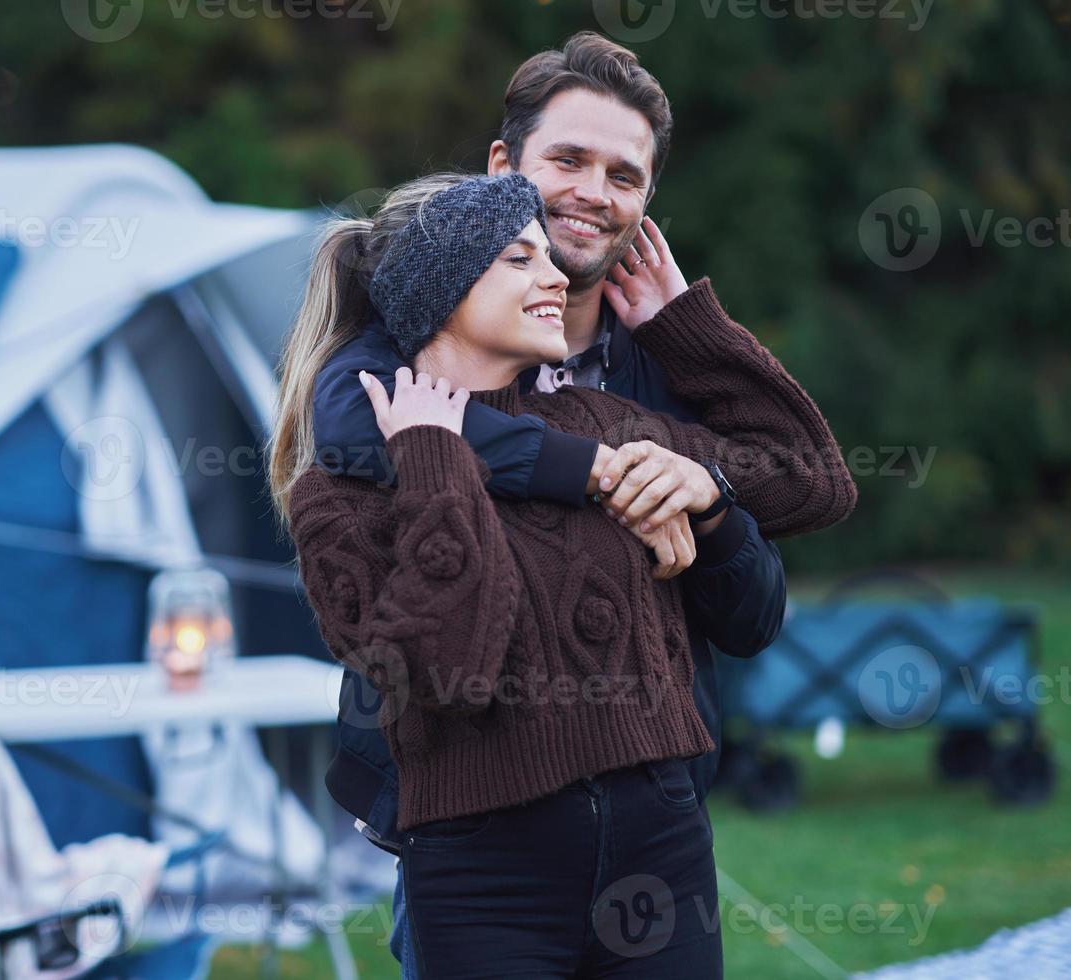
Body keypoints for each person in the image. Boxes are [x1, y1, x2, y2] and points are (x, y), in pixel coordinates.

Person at [296, 31, 855, 977]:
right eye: (569, 160)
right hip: (465, 825)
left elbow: (783, 542)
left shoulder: (649, 381)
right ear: (503, 168)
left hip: (653, 816)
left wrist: (708, 480)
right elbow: (359, 441)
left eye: (626, 176)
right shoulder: (383, 360)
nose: (596, 193)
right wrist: (594, 470)